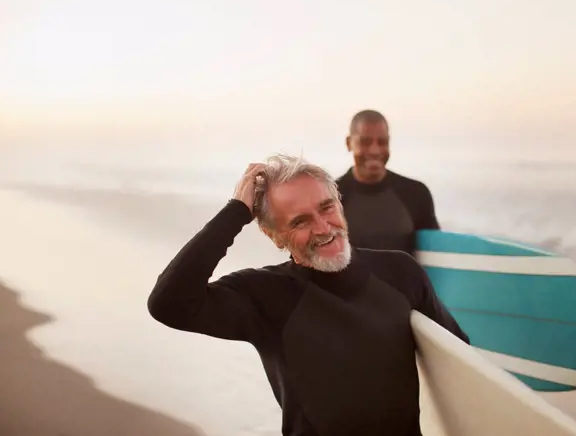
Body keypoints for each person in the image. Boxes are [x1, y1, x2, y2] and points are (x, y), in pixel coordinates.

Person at [147, 154, 469, 436]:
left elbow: (458, 355)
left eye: (327, 207)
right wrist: (236, 212)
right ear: (273, 235)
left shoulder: (400, 272)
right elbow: (168, 303)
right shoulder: (265, 296)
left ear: (340, 203)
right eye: (300, 221)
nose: (323, 228)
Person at [336, 109, 440, 256]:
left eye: (382, 142)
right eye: (365, 142)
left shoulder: (416, 193)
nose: (374, 150)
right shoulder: (332, 197)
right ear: (349, 143)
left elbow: (435, 257)